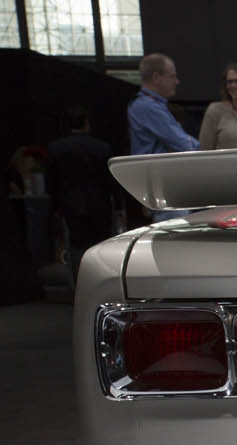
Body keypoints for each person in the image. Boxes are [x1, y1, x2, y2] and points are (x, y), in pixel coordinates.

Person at [45, 106, 115, 285]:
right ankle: (103, 282)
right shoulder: (102, 147)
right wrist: (118, 205)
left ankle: (80, 285)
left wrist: (55, 206)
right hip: (100, 202)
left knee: (77, 244)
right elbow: (110, 180)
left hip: (70, 202)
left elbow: (52, 181)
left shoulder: (56, 149)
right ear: (86, 123)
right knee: (102, 244)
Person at [128, 53, 199, 155]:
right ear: (156, 78)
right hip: (154, 169)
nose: (177, 81)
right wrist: (204, 148)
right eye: (172, 76)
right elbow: (182, 143)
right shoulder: (148, 107)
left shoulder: (148, 104)